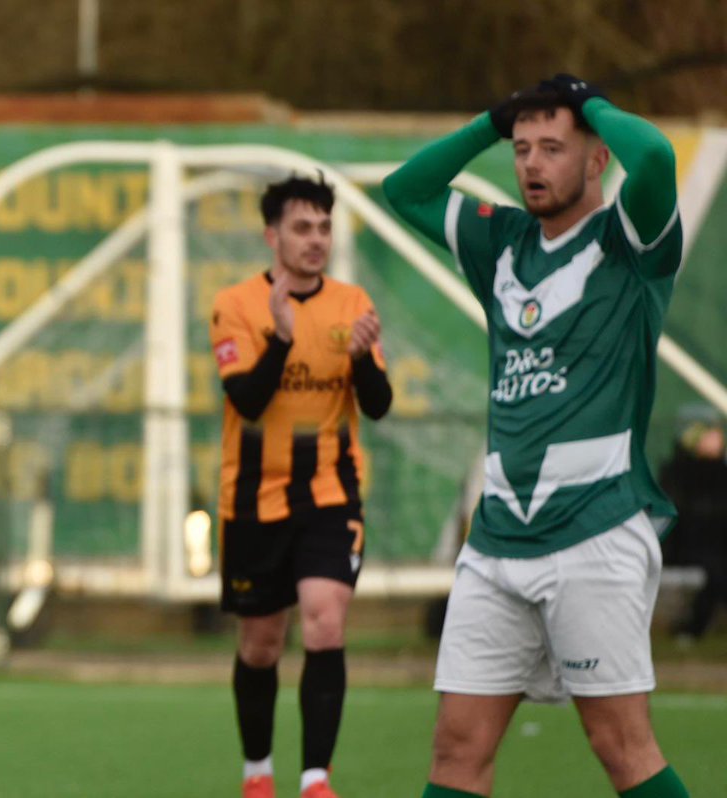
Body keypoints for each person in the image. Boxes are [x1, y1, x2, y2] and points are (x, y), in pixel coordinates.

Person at [383, 74, 690, 798]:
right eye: (521, 149)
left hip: (595, 528)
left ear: (595, 161)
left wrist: (592, 106)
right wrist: (492, 121)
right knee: (457, 748)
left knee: (620, 745)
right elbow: (406, 191)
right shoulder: (501, 240)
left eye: (553, 148)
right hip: (496, 543)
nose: (530, 164)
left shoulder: (630, 239)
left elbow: (655, 159)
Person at [210, 176, 393, 798]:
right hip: (254, 500)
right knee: (262, 643)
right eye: (302, 228)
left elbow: (379, 406)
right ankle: (258, 772)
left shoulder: (353, 303)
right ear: (272, 236)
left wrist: (366, 358)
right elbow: (248, 401)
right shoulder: (236, 304)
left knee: (325, 623)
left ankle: (316, 779)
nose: (316, 240)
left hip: (331, 496)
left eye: (323, 227)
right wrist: (283, 337)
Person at [659, 409, 727, 640]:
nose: (718, 438)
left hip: (715, 547)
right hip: (688, 547)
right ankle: (692, 628)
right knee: (719, 571)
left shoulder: (721, 472)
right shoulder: (678, 472)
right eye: (710, 434)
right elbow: (680, 517)